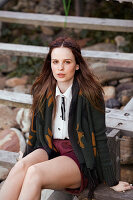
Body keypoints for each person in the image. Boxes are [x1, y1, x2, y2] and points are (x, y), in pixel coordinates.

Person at [0, 37, 132, 200]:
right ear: (50, 64)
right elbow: (34, 130)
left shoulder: (90, 94)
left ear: (77, 65)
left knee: (35, 173)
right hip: (49, 148)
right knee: (21, 167)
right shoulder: (43, 91)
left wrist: (112, 181)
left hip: (78, 155)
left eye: (67, 62)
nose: (60, 68)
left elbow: (99, 138)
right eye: (55, 62)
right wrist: (27, 154)